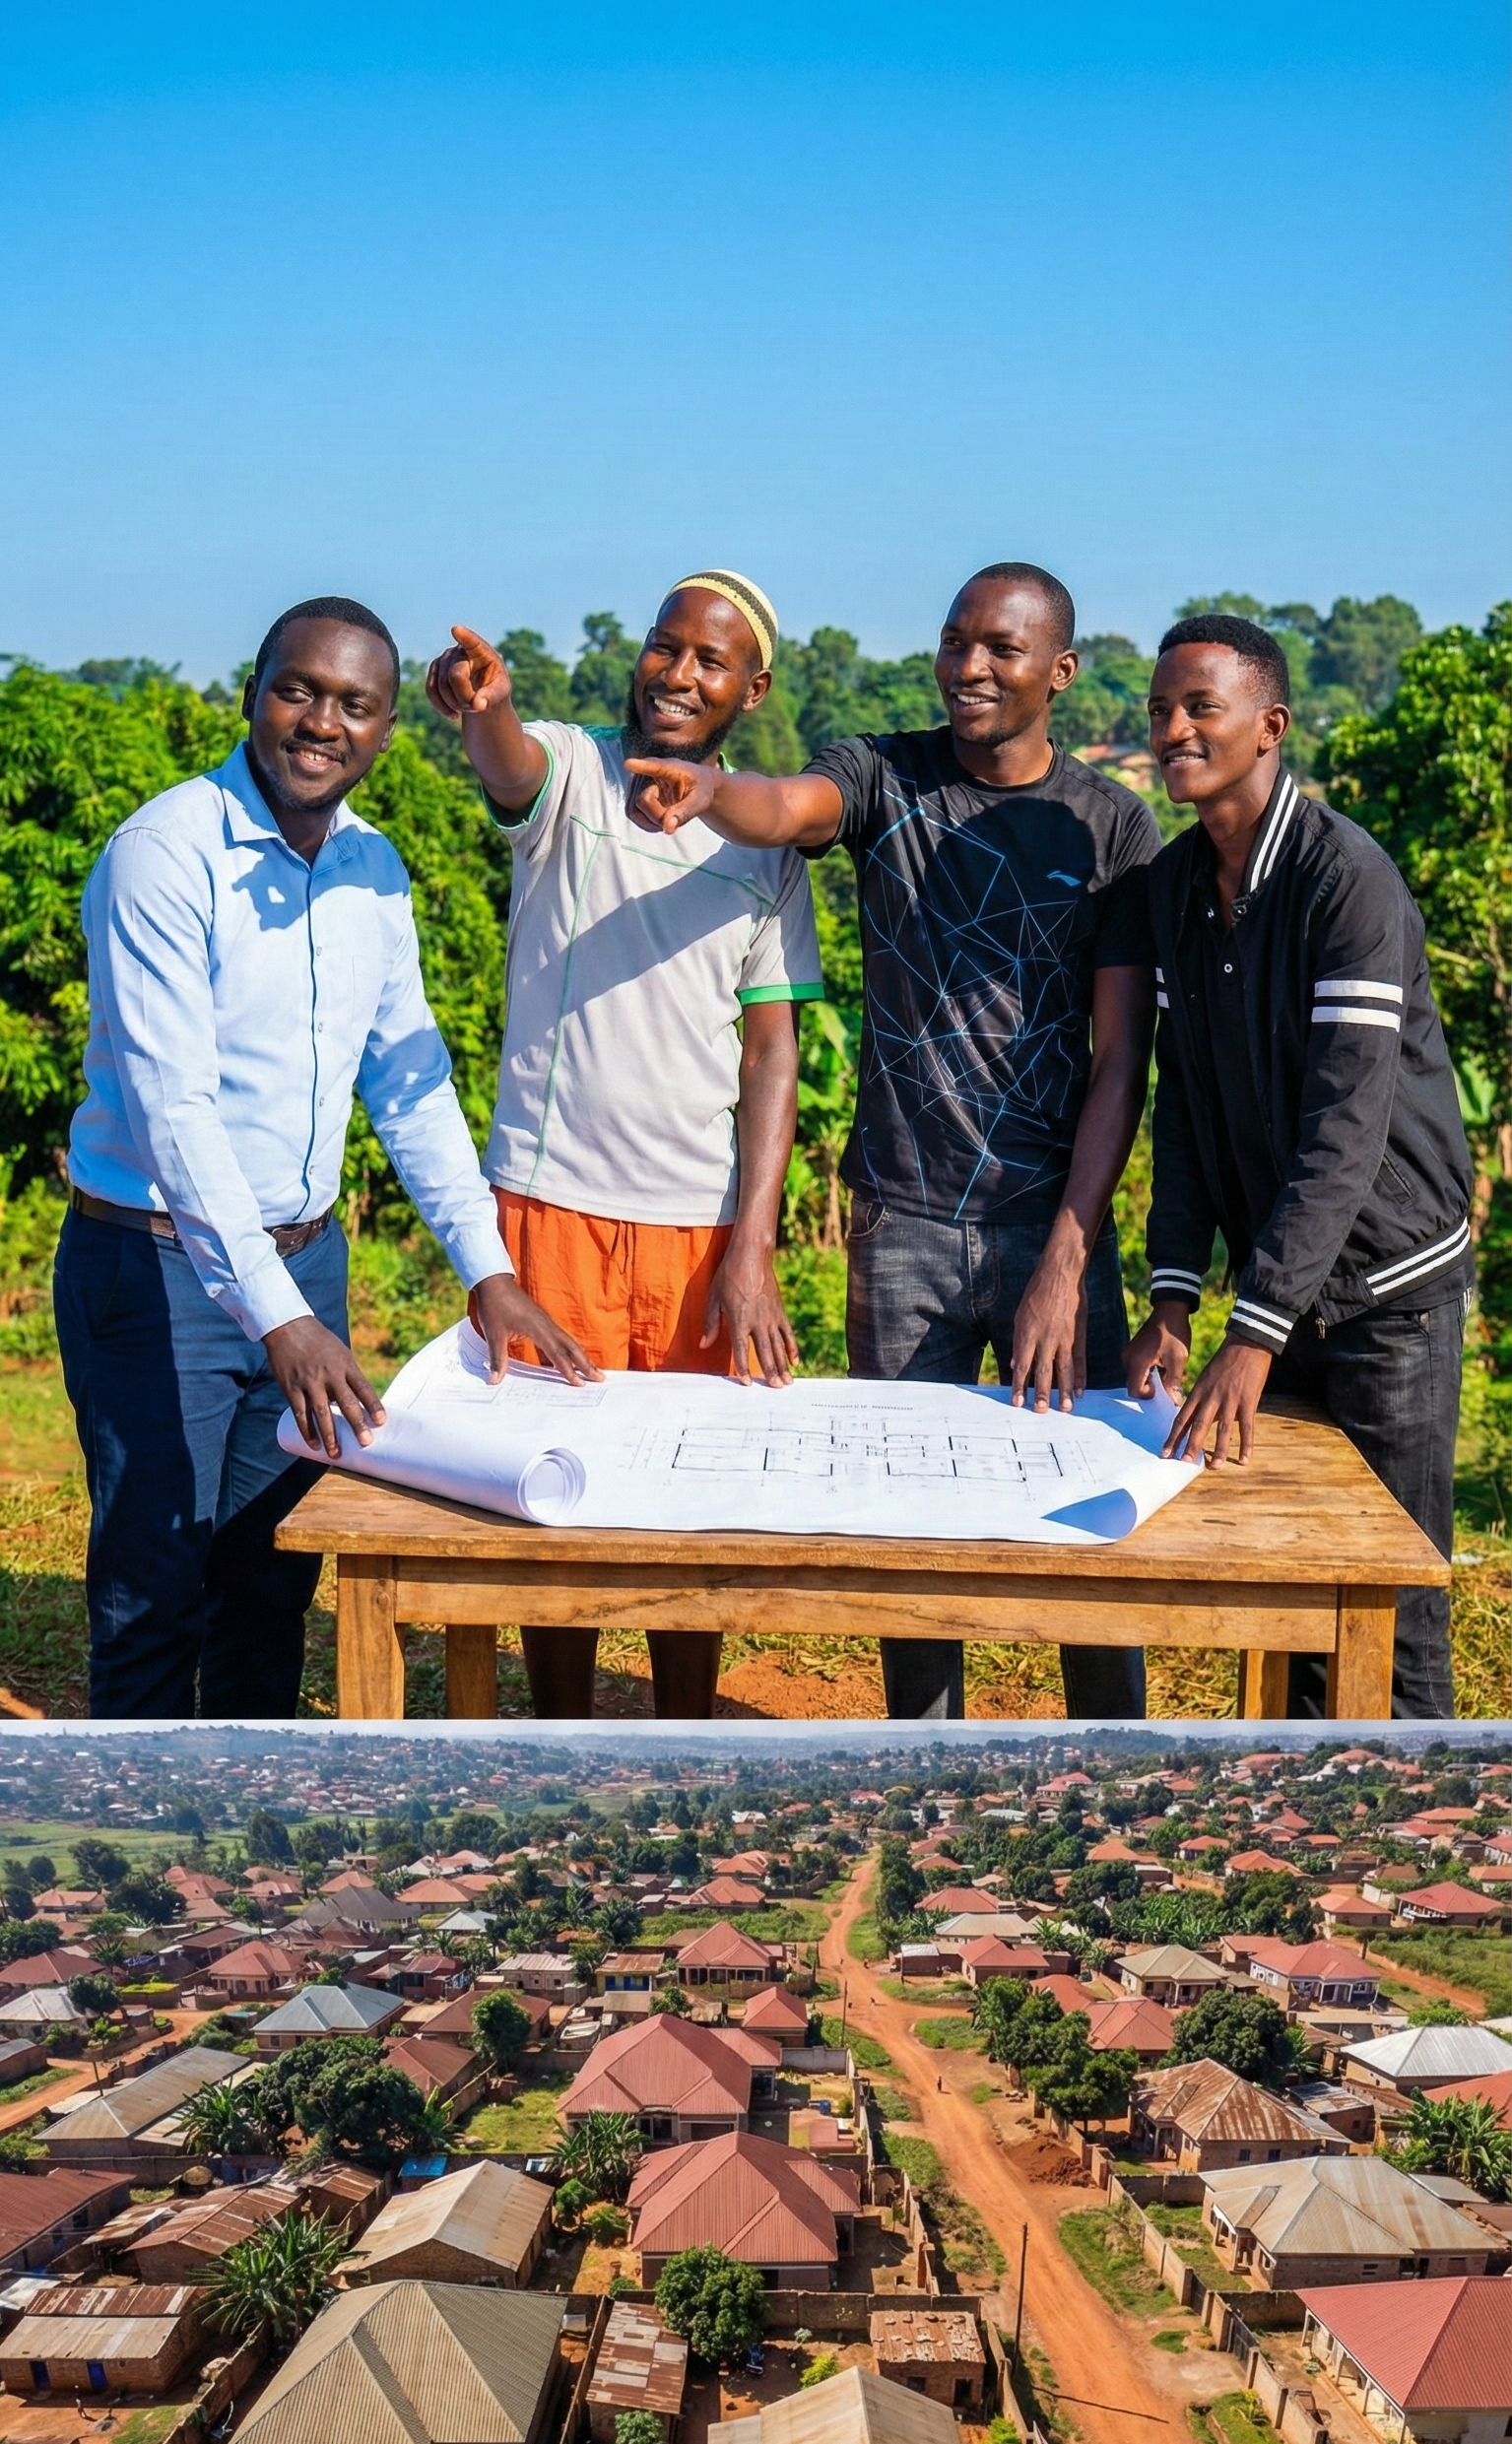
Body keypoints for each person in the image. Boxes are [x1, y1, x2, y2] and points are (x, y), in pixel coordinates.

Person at [625, 561, 1159, 1721]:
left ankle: (1114, 1776)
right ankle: (925, 1782)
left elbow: (1120, 1060)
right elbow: (786, 806)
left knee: (1088, 1545)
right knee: (911, 1546)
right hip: (900, 1230)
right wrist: (707, 789)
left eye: (1001, 650)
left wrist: (1066, 1264)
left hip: (1050, 1237)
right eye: (955, 640)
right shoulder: (883, 772)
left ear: (1057, 672)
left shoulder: (1109, 821)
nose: (969, 666)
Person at [55, 597, 594, 1721]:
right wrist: (276, 1318)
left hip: (309, 1265)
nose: (320, 722)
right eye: (298, 690)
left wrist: (486, 1269)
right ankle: (149, 1866)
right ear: (252, 694)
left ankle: (243, 1860)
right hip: (155, 1269)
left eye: (354, 704)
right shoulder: (165, 853)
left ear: (387, 730)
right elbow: (173, 1109)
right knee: (156, 1589)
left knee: (270, 1581)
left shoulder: (373, 872)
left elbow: (408, 1083)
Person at [426, 570, 824, 1718]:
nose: (678, 675)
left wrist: (750, 1251)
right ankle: (559, 1735)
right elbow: (507, 762)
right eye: (664, 648)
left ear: (747, 691)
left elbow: (770, 1058)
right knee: (555, 1494)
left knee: (682, 1503)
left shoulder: (763, 846)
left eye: (709, 662)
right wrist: (484, 704)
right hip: (550, 1211)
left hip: (698, 1231)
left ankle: (680, 1733)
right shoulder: (571, 772)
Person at [1124, 613, 1473, 1717]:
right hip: (1283, 1296)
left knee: (1389, 1602)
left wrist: (1252, 1330)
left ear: (1267, 726)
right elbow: (1179, 1106)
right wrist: (1173, 1294)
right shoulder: (1174, 887)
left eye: (1200, 709)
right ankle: (1298, 1844)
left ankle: (1417, 1857)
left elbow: (1342, 1127)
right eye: (1160, 710)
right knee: (1283, 1594)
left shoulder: (1343, 883)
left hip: (1387, 1292)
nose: (1172, 730)